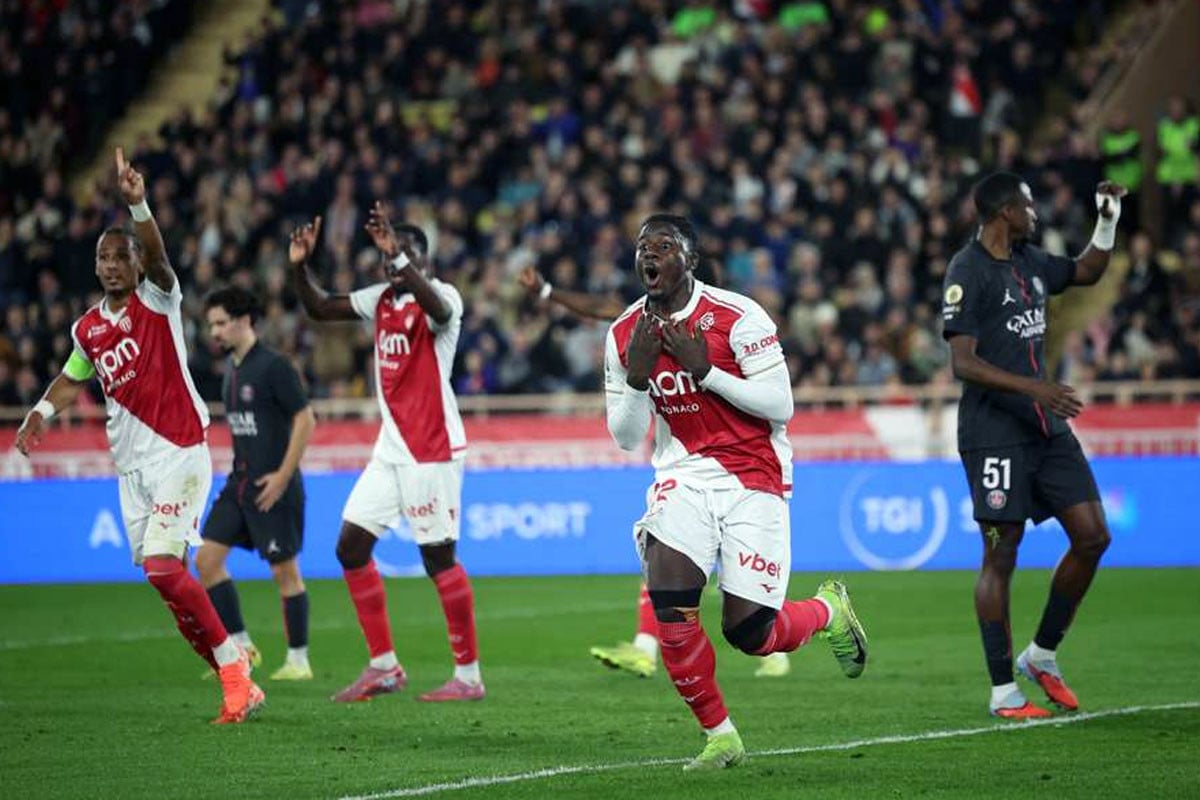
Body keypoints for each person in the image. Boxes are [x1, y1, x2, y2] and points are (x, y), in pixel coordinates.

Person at [603, 214, 868, 770]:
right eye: (643, 246)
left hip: (753, 475)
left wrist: (706, 371)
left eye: (664, 246)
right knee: (670, 601)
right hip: (683, 476)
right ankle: (720, 736)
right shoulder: (625, 334)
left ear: (690, 260)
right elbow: (626, 437)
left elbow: (781, 405)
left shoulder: (738, 316)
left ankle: (826, 611)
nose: (650, 254)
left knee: (750, 632)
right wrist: (638, 378)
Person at [14, 148, 262, 724]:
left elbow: (162, 260)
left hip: (179, 450)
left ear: (136, 263)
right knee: (167, 586)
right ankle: (238, 677)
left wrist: (139, 206)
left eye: (120, 257)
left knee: (162, 567)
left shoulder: (158, 298)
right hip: (132, 469)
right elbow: (73, 377)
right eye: (102, 258)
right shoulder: (87, 329)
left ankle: (232, 670)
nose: (110, 266)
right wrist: (42, 411)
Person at [518, 265, 791, 680]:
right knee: (664, 549)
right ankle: (647, 647)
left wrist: (548, 291)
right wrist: (547, 291)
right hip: (681, 461)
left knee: (735, 589)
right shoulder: (643, 323)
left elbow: (775, 399)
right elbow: (604, 308)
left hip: (741, 467)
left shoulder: (725, 322)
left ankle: (771, 647)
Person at [941, 172, 1125, 719]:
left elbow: (1088, 270)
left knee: (1093, 536)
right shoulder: (967, 271)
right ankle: (1003, 691)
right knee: (1001, 554)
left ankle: (1041, 654)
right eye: (1027, 204)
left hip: (1045, 429)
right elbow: (963, 363)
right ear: (1004, 212)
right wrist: (1035, 387)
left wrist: (1108, 220)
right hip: (993, 435)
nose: (1035, 212)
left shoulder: (1030, 262)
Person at [291, 204, 483, 702]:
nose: (396, 261)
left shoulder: (442, 296)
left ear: (424, 260)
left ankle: (468, 677)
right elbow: (320, 307)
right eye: (390, 255)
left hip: (432, 449)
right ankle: (384, 666)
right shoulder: (380, 299)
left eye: (407, 254)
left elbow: (440, 312)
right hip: (391, 449)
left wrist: (399, 257)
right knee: (350, 548)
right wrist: (300, 266)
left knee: (438, 558)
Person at [197, 286, 317, 681]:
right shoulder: (231, 369)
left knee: (285, 573)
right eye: (211, 324)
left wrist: (283, 476)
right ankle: (242, 649)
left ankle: (298, 661)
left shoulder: (274, 366)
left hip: (273, 485)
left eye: (220, 323)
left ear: (244, 320)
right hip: (240, 484)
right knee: (206, 560)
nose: (214, 332)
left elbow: (305, 419)